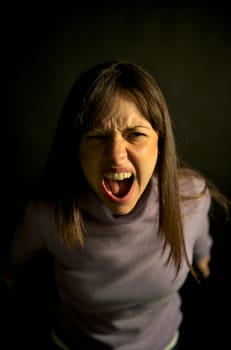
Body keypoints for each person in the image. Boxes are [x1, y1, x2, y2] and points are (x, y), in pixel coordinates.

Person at [3, 60, 229, 350]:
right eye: (96, 136)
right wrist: (8, 275)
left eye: (135, 134)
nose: (115, 155)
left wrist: (203, 258)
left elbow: (201, 240)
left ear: (159, 142)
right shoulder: (48, 214)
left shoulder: (192, 198)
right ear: (77, 150)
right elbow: (17, 256)